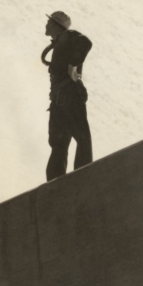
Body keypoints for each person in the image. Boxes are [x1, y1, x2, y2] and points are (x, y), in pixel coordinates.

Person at [41, 10, 93, 181]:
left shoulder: (67, 36)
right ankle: (59, 182)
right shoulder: (59, 43)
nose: (46, 24)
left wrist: (72, 64)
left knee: (75, 142)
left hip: (69, 98)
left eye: (50, 22)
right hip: (60, 102)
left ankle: (79, 177)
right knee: (60, 145)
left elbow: (85, 42)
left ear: (57, 25)